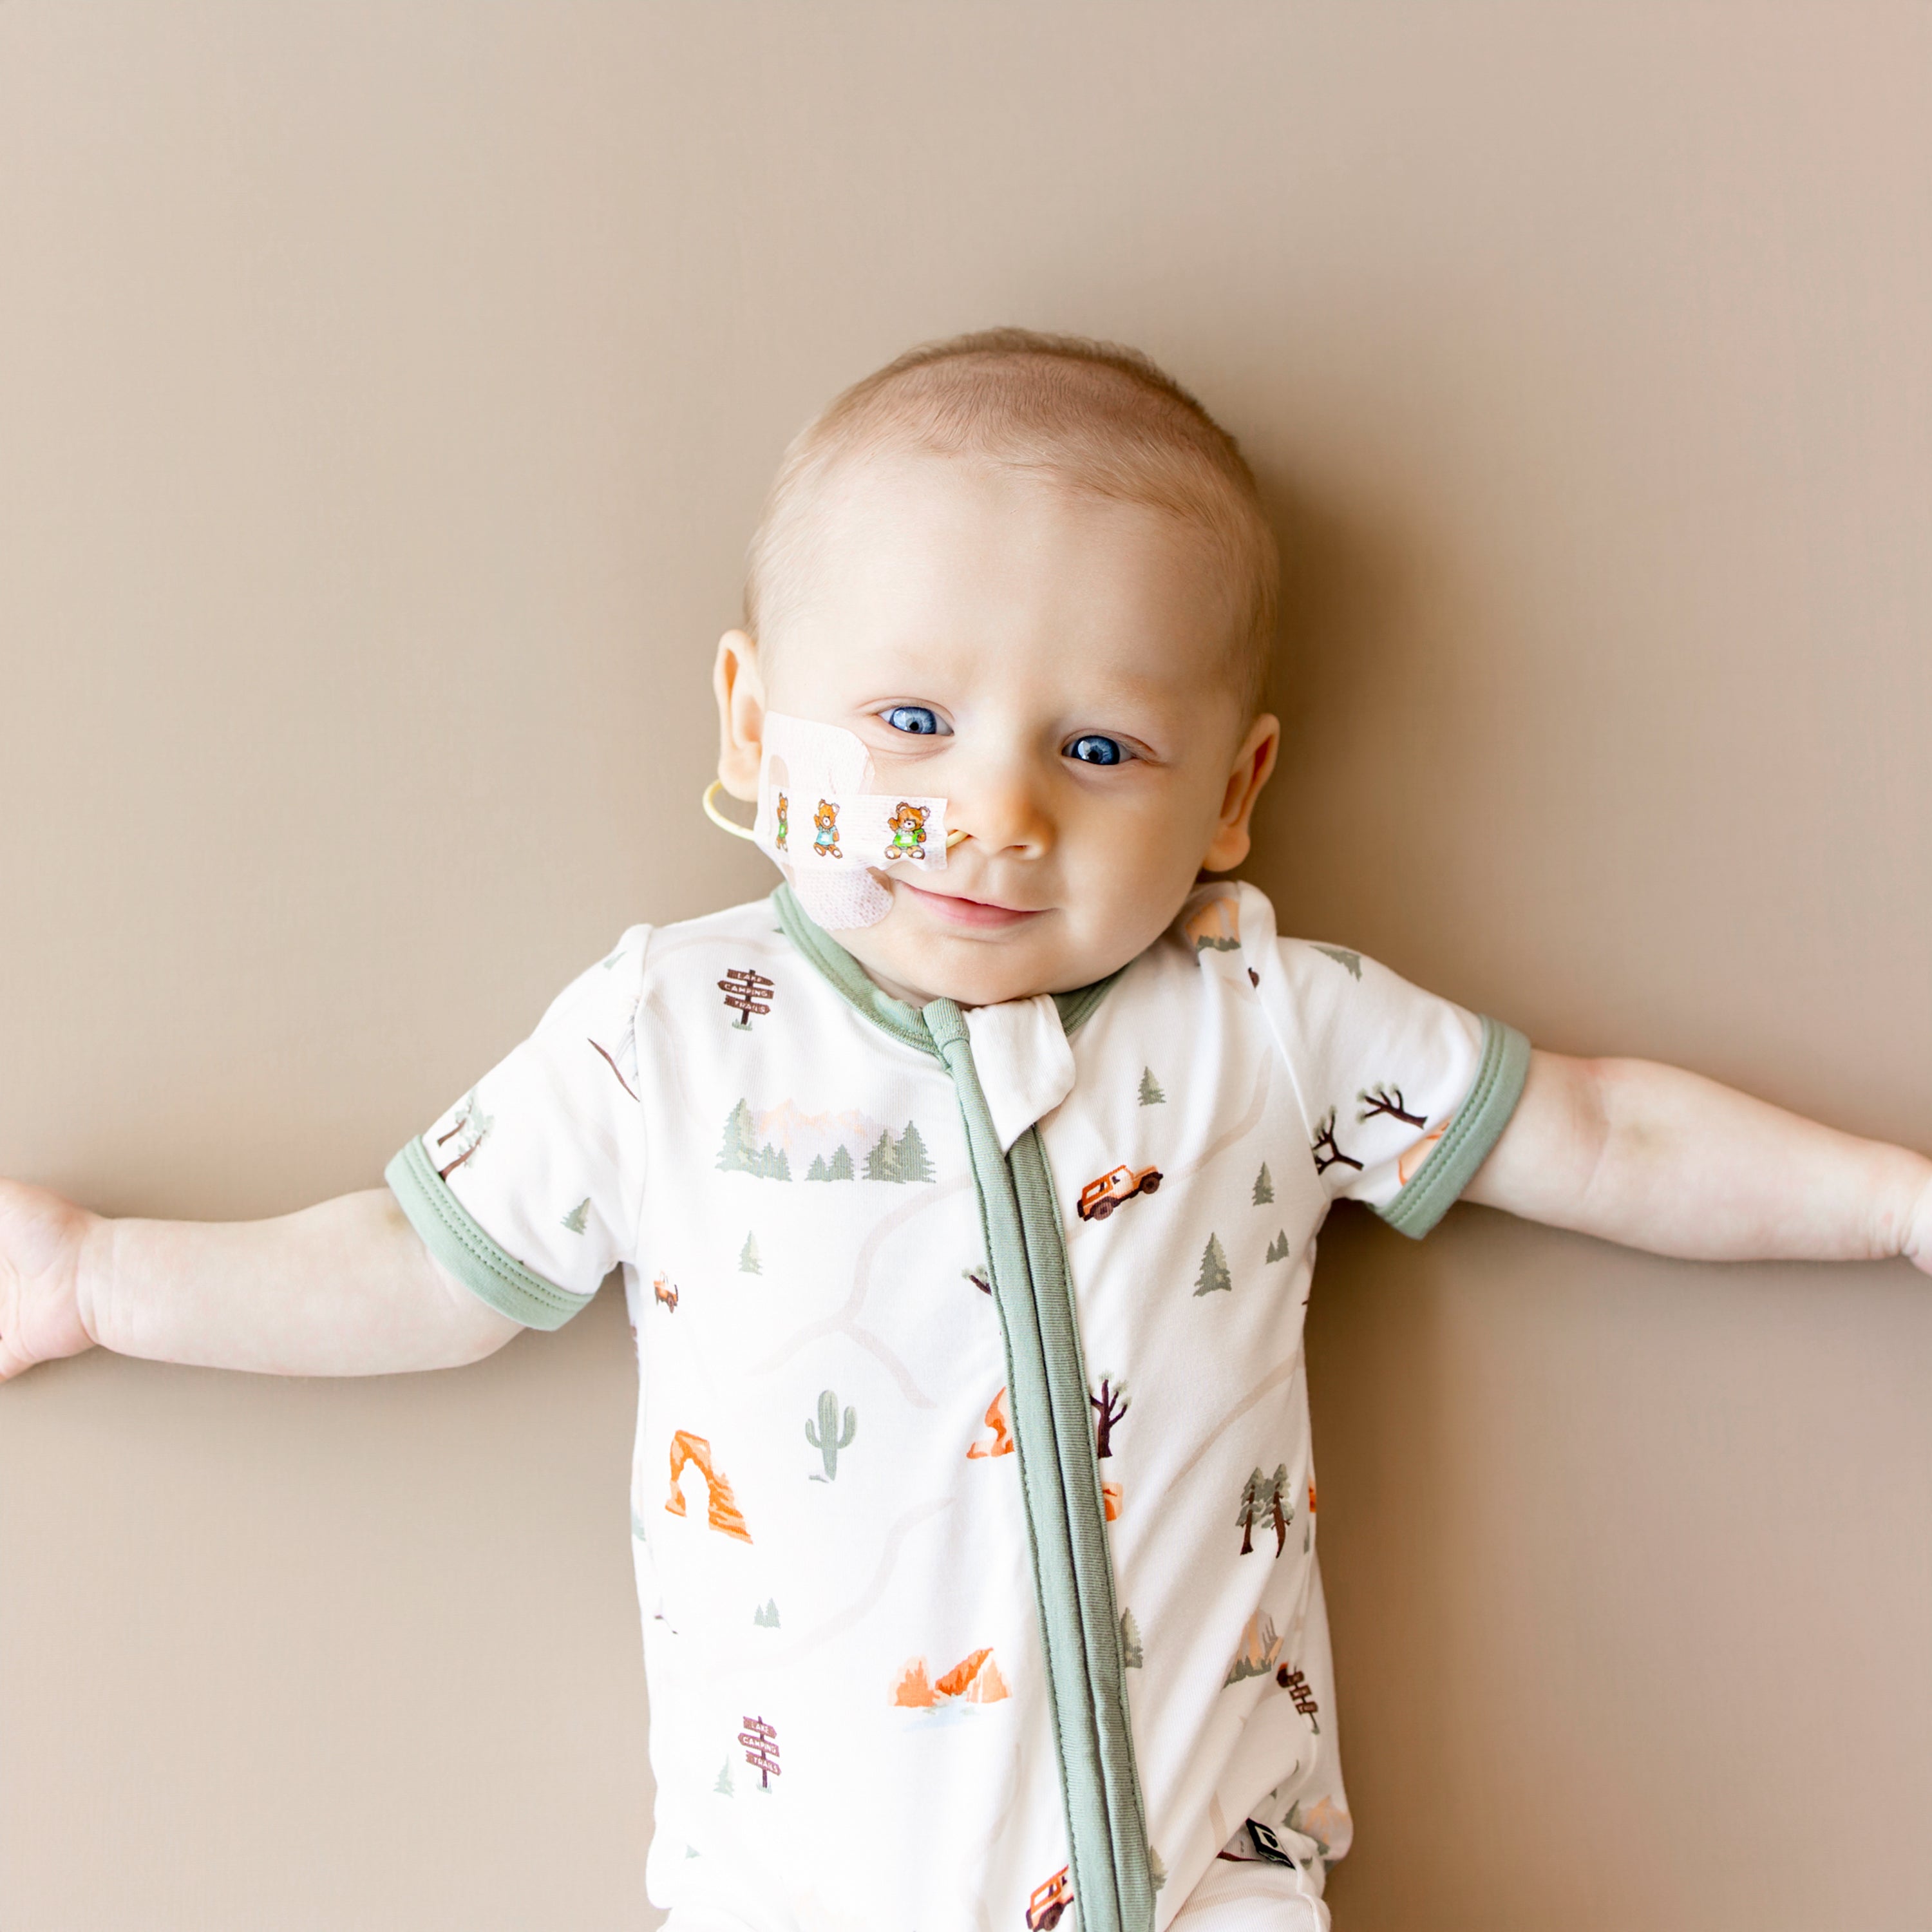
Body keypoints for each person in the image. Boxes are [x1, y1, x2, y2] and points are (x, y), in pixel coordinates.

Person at [3, 330, 1926, 1932]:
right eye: (909, 720)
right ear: (759, 733)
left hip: (1214, 1895)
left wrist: (1896, 1203)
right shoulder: (673, 1036)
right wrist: (94, 1279)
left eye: (1098, 751)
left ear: (1233, 791)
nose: (995, 811)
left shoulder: (1267, 1020)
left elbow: (1600, 1134)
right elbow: (425, 1265)